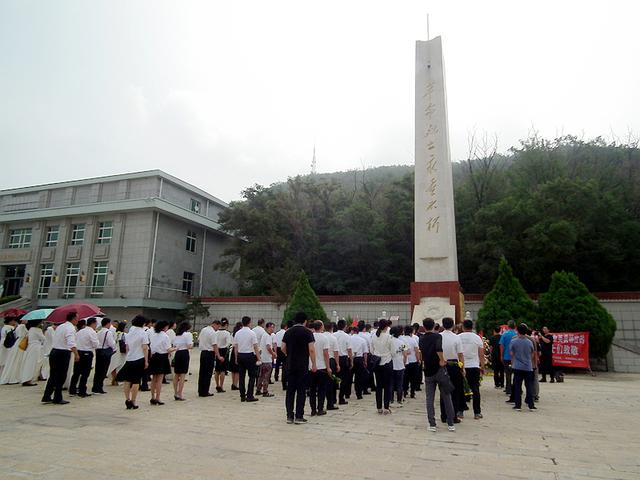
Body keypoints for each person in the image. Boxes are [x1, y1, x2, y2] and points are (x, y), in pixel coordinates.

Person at [420, 318, 456, 432]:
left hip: (428, 370)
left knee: (429, 398)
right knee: (446, 396)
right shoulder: (437, 336)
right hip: (439, 369)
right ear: (433, 325)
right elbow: (439, 349)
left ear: (424, 326)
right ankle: (450, 422)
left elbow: (421, 352)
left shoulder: (421, 338)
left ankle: (432, 424)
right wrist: (442, 360)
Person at [282, 311, 316, 424]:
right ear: (305, 321)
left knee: (290, 391)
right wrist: (314, 363)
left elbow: (282, 347)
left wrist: (289, 354)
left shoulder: (288, 332)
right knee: (301, 391)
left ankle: (289, 416)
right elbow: (311, 349)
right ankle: (299, 416)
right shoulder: (308, 332)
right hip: (302, 365)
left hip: (290, 364)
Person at [42, 311, 79, 405]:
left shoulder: (61, 326)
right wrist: (76, 354)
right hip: (63, 352)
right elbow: (71, 342)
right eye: (77, 318)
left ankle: (47, 395)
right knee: (61, 376)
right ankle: (57, 397)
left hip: (54, 351)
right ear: (74, 319)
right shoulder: (70, 328)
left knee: (53, 375)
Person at [116, 315, 150, 409]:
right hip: (139, 358)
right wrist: (146, 361)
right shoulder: (143, 333)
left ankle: (127, 399)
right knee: (136, 381)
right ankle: (133, 401)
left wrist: (128, 355)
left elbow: (127, 347)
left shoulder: (130, 332)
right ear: (143, 323)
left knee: (127, 380)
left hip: (129, 358)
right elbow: (145, 348)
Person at [459, 319, 485, 419]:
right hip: (474, 366)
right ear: (472, 327)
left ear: (463, 327)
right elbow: (481, 354)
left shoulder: (458, 337)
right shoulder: (477, 338)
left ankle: (460, 411)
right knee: (475, 389)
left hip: (462, 366)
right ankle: (477, 412)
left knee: (461, 389)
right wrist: (482, 366)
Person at [440, 317, 464, 423]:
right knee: (455, 391)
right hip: (454, 365)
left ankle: (444, 415)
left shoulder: (439, 336)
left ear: (443, 325)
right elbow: (460, 354)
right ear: (453, 325)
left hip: (442, 364)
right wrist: (462, 367)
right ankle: (453, 416)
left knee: (443, 391)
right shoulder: (456, 338)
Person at [509, 323, 537, 411]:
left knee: (517, 386)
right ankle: (531, 405)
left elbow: (511, 353)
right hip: (528, 366)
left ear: (517, 331)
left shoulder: (514, 341)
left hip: (517, 366)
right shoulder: (530, 342)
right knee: (529, 386)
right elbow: (532, 353)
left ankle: (518, 405)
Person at [233, 316, 260, 403]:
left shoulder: (238, 333)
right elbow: (255, 346)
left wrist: (236, 357)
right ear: (249, 322)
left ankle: (242, 395)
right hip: (249, 355)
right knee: (252, 376)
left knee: (241, 376)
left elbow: (235, 347)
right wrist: (259, 358)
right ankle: (249, 395)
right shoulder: (252, 333)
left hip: (240, 355)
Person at [69, 317, 99, 397]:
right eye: (96, 323)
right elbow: (95, 344)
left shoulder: (80, 331)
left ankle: (72, 390)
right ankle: (82, 390)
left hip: (78, 352)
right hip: (87, 353)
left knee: (76, 372)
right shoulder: (92, 332)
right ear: (93, 323)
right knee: (85, 373)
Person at [148, 320, 174, 405]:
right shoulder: (165, 336)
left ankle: (152, 397)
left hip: (154, 356)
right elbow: (168, 349)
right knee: (159, 379)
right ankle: (158, 398)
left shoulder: (153, 334)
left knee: (153, 379)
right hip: (162, 357)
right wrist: (175, 348)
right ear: (164, 327)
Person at [371, 319, 394, 414]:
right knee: (387, 386)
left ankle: (379, 407)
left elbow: (371, 350)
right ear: (386, 326)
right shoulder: (389, 337)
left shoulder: (373, 336)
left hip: (377, 363)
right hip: (387, 362)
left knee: (379, 386)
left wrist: (377, 354)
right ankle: (386, 407)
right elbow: (392, 351)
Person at [308, 320, 331, 416]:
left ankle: (313, 409)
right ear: (321, 327)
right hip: (322, 366)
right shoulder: (324, 338)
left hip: (311, 366)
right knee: (322, 389)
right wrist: (328, 367)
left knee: (312, 389)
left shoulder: (310, 336)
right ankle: (320, 408)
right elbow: (326, 354)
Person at [92, 318, 116, 394]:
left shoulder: (99, 332)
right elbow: (111, 343)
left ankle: (95, 387)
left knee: (98, 370)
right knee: (103, 370)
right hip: (105, 352)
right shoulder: (108, 332)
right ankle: (99, 387)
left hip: (98, 351)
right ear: (108, 323)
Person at [0, 319, 28, 385]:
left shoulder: (5, 327)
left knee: (7, 361)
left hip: (6, 344)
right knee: (11, 360)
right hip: (16, 344)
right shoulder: (19, 327)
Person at [172, 321, 194, 401]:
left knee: (176, 374)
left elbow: (174, 345)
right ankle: (180, 393)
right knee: (182, 374)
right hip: (184, 353)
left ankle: (175, 392)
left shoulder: (177, 335)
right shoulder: (188, 334)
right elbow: (189, 346)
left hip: (177, 353)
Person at [20, 320, 46, 386]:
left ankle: (26, 379)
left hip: (30, 347)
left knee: (28, 363)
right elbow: (44, 339)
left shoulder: (31, 329)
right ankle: (29, 379)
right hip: (36, 348)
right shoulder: (37, 330)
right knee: (33, 364)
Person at [334, 319, 353, 405]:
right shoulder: (347, 336)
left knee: (334, 379)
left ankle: (333, 399)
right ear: (345, 326)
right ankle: (341, 398)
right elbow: (349, 350)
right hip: (344, 358)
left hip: (334, 358)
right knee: (344, 380)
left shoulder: (333, 335)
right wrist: (351, 361)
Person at [198, 319, 218, 397]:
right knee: (208, 373)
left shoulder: (204, 329)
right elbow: (215, 345)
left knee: (202, 372)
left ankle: (200, 390)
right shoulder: (213, 332)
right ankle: (205, 391)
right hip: (210, 353)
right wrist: (218, 355)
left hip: (203, 352)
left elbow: (199, 339)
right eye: (217, 327)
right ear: (215, 324)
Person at [390, 326, 408, 406]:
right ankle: (399, 400)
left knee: (391, 383)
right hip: (400, 363)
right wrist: (404, 363)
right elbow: (405, 354)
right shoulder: (402, 342)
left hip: (391, 363)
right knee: (400, 383)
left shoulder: (389, 341)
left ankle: (391, 399)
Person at [401, 325, 421, 399]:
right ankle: (412, 392)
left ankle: (405, 391)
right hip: (413, 361)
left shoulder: (401, 339)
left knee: (405, 377)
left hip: (404, 361)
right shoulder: (413, 340)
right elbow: (417, 351)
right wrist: (418, 360)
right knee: (413, 378)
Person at [257, 322, 276, 397]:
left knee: (261, 376)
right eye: (271, 327)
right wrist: (273, 353)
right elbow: (268, 347)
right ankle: (265, 391)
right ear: (267, 327)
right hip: (267, 359)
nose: (272, 329)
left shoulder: (264, 335)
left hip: (263, 358)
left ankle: (258, 390)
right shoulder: (268, 336)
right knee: (266, 376)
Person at [324, 322, 340, 411]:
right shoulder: (333, 338)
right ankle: (331, 402)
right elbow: (336, 352)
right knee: (332, 382)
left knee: (323, 382)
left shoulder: (321, 337)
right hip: (331, 360)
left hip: (322, 361)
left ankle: (322, 402)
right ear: (332, 328)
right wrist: (337, 364)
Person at [349, 327, 368, 400]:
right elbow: (365, 353)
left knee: (349, 377)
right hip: (359, 359)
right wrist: (365, 361)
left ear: (352, 331)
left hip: (351, 358)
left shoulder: (349, 338)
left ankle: (347, 393)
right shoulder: (362, 340)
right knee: (359, 377)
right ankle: (359, 394)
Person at [500, 320, 517, 400]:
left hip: (507, 356)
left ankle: (508, 389)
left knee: (508, 373)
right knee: (517, 374)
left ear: (508, 326)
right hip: (516, 357)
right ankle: (517, 389)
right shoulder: (517, 334)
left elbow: (502, 346)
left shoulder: (505, 334)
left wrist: (501, 355)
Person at [214, 318, 232, 392]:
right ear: (226, 325)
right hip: (224, 351)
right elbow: (228, 343)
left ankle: (217, 384)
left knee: (217, 369)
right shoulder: (227, 333)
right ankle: (221, 386)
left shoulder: (216, 332)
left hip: (217, 350)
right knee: (223, 370)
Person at [109, 321, 127, 385]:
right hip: (122, 352)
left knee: (113, 366)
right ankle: (117, 379)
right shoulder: (124, 335)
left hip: (114, 351)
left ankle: (114, 379)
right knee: (121, 366)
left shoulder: (115, 333)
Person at [274, 321, 290, 390]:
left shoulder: (277, 333)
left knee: (277, 363)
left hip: (278, 348)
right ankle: (284, 381)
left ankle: (276, 376)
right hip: (284, 349)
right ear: (286, 327)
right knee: (284, 366)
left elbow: (275, 343)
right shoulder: (286, 333)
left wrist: (275, 351)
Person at [228, 321, 242, 390]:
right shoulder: (239, 334)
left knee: (233, 369)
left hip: (233, 350)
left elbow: (230, 342)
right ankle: (235, 384)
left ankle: (233, 383)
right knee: (237, 370)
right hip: (238, 350)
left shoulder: (233, 334)